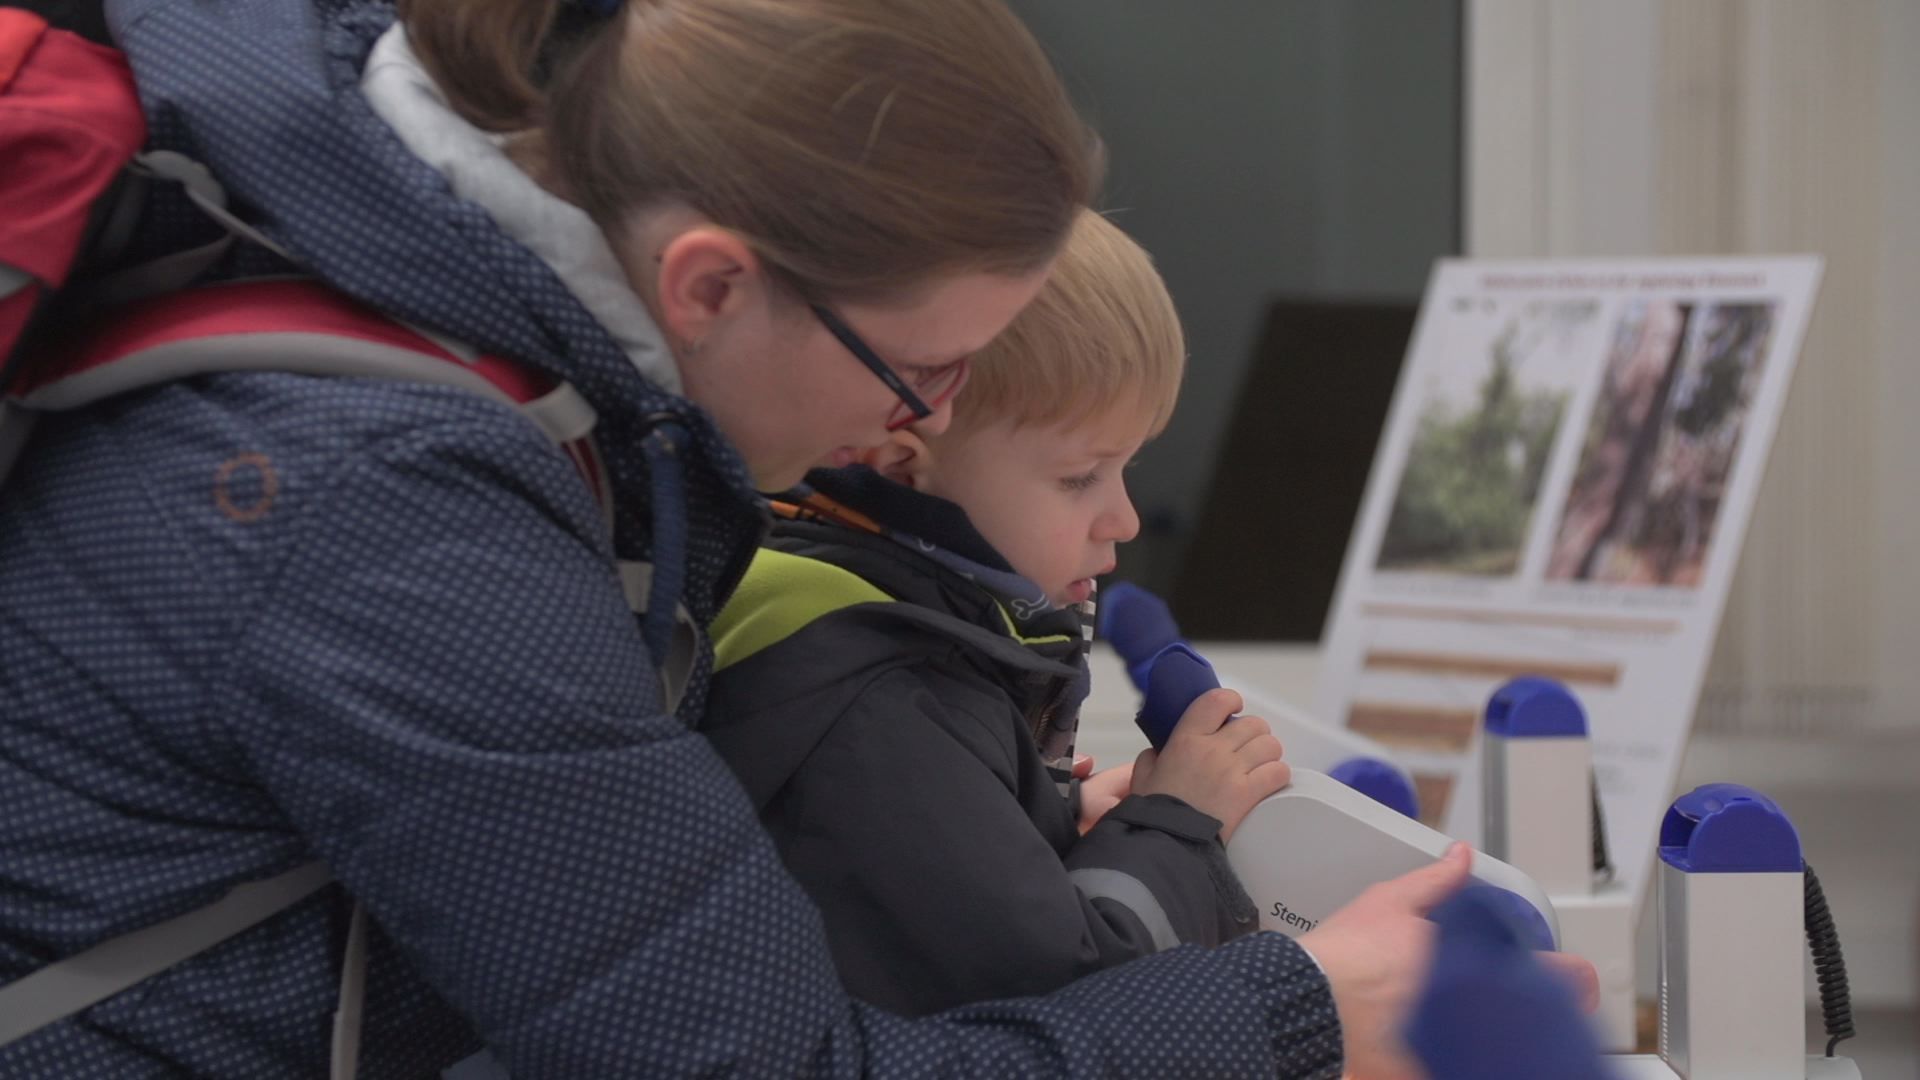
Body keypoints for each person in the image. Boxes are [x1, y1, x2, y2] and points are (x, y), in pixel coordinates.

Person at [0, 1, 1564, 1077]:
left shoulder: (410, 292)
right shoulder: (386, 503)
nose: (914, 427)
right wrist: (1299, 1010)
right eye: (923, 370)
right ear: (711, 285)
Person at [704, 209, 1293, 1016]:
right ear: (902, 464)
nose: (1123, 519)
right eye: (1081, 476)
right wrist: (1179, 825)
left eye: (1127, 467)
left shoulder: (849, 620)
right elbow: (1074, 1008)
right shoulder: (881, 701)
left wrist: (1049, 822)